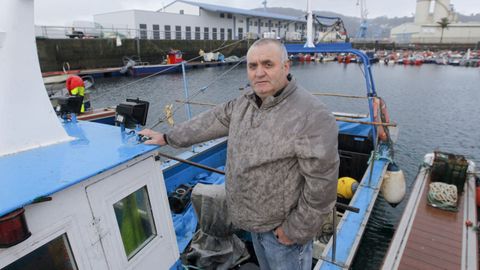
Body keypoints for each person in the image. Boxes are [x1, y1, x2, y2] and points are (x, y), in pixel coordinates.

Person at [140, 38, 339, 270]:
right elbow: (209, 121)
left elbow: (322, 186)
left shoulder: (311, 115)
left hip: (282, 233)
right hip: (252, 223)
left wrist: (294, 230)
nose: (259, 73)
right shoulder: (244, 103)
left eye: (268, 64)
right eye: (252, 66)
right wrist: (167, 137)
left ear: (286, 67)